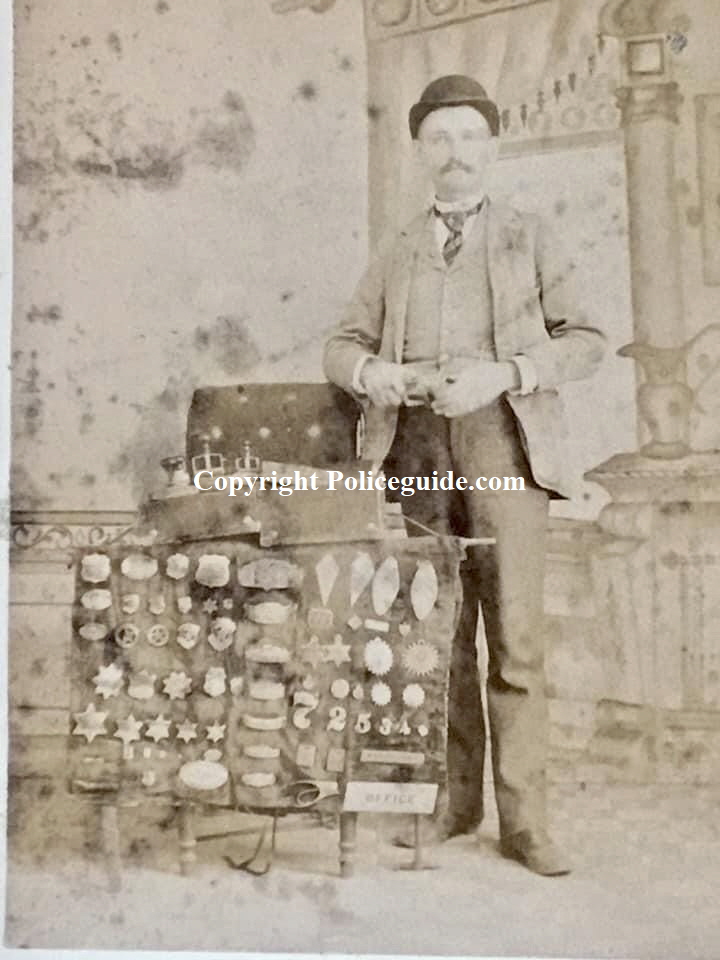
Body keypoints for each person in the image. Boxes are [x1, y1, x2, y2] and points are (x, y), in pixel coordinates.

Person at [323, 75, 605, 876]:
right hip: (415, 456)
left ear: (492, 148)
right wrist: (372, 370)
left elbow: (584, 339)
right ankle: (453, 803)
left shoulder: (531, 236)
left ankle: (526, 823)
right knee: (437, 635)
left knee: (515, 642)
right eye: (440, 140)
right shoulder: (398, 248)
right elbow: (339, 344)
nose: (455, 154)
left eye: (469, 138)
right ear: (421, 153)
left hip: (506, 452)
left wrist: (507, 371)